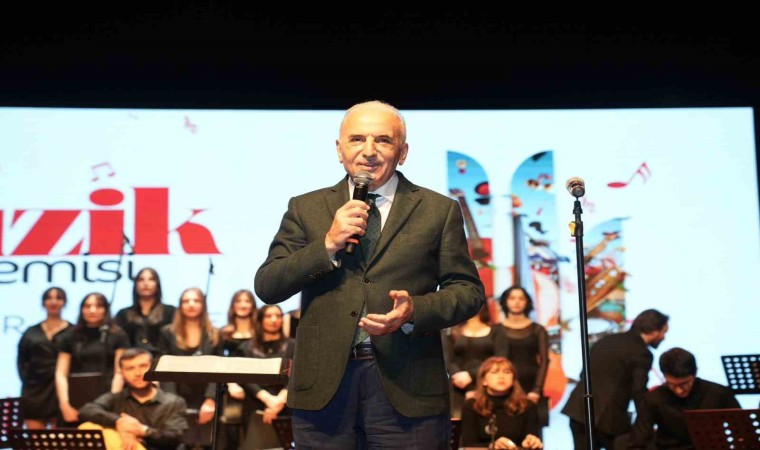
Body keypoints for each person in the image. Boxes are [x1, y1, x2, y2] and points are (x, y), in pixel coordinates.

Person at [254, 100, 485, 449]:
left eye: (383, 140)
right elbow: (268, 285)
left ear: (402, 152)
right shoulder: (306, 208)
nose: (369, 151)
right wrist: (327, 244)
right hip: (324, 389)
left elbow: (468, 290)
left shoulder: (439, 210)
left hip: (408, 386)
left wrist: (415, 310)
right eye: (357, 139)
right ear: (339, 149)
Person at [561, 308, 670, 450]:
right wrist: (647, 423)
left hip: (579, 411)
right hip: (608, 419)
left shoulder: (607, 340)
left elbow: (584, 374)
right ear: (654, 331)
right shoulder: (641, 353)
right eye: (664, 332)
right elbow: (638, 391)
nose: (664, 337)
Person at [628, 347, 740, 449]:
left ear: (695, 372)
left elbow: (740, 431)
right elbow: (638, 442)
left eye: (684, 384)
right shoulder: (654, 398)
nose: (679, 390)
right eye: (672, 384)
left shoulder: (719, 394)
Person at [78, 347, 188, 450]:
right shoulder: (116, 398)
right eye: (130, 368)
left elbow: (175, 438)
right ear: (122, 372)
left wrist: (143, 431)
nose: (137, 373)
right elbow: (86, 410)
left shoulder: (173, 402)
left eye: (143, 366)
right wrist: (118, 423)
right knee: (87, 427)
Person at [157, 287, 222, 445]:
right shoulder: (167, 333)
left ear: (203, 305)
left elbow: (218, 369)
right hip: (175, 394)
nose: (191, 304)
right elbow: (164, 369)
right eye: (186, 301)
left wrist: (211, 399)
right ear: (180, 305)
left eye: (196, 300)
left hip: (205, 395)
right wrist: (172, 401)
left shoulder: (214, 334)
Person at [55, 292, 130, 425]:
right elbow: (61, 373)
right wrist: (64, 405)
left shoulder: (117, 334)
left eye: (98, 306)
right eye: (87, 306)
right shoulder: (70, 335)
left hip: (106, 395)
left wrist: (112, 403)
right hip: (75, 397)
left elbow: (119, 373)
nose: (92, 310)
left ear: (105, 309)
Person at [235, 304, 295, 449]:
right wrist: (268, 400)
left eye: (278, 316)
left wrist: (278, 402)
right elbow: (244, 378)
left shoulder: (294, 345)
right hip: (255, 402)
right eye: (269, 316)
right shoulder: (246, 347)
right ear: (260, 320)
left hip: (286, 402)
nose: (274, 320)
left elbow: (296, 374)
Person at [17, 287, 73, 429]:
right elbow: (22, 362)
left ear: (64, 302)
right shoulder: (31, 332)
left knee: (60, 439)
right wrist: (30, 381)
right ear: (43, 302)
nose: (53, 302)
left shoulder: (73, 331)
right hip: (35, 392)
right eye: (49, 298)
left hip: (63, 392)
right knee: (35, 439)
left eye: (58, 298)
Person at [460, 357, 543, 449]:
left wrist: (531, 442)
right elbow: (468, 445)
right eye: (494, 372)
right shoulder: (472, 405)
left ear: (513, 379)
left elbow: (532, 437)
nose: (501, 376)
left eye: (507, 372)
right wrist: (492, 446)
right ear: (484, 380)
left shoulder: (527, 405)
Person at [443, 302, 508, 418]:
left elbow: (500, 358)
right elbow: (447, 358)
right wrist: (457, 374)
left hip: (487, 383)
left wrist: (471, 375)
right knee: (458, 420)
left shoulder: (497, 330)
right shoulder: (451, 331)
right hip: (458, 384)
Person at [498, 286, 550, 426]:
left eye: (521, 298)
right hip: (502, 385)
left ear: (527, 302)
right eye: (512, 298)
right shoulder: (497, 329)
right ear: (505, 301)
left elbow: (544, 361)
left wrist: (537, 389)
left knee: (531, 428)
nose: (516, 302)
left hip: (530, 386)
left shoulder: (538, 330)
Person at [218, 289, 257, 450]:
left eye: (247, 301)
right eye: (239, 301)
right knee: (231, 433)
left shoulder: (259, 332)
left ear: (253, 306)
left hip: (255, 386)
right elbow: (221, 361)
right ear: (232, 306)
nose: (243, 305)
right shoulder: (223, 333)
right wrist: (231, 384)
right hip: (233, 388)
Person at [115, 268, 177, 357]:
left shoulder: (170, 311)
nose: (146, 283)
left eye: (151, 279)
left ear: (157, 284)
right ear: (135, 284)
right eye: (141, 279)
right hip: (131, 361)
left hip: (162, 360)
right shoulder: (123, 314)